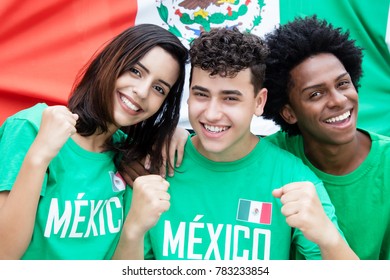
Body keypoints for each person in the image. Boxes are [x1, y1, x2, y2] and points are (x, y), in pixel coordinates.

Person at [115, 27, 358, 260]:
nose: (211, 114)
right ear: (188, 95)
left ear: (259, 102)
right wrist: (133, 230)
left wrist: (328, 238)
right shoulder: (155, 167)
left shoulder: (293, 178)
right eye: (201, 94)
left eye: (230, 98)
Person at [0, 23, 188, 260]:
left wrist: (178, 132)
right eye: (135, 71)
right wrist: (38, 158)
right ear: (110, 62)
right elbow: (4, 256)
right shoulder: (31, 127)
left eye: (159, 88)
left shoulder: (129, 157)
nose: (142, 91)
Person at [261, 15, 390, 260]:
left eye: (343, 84)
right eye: (316, 94)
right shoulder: (268, 159)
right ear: (288, 112)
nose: (339, 100)